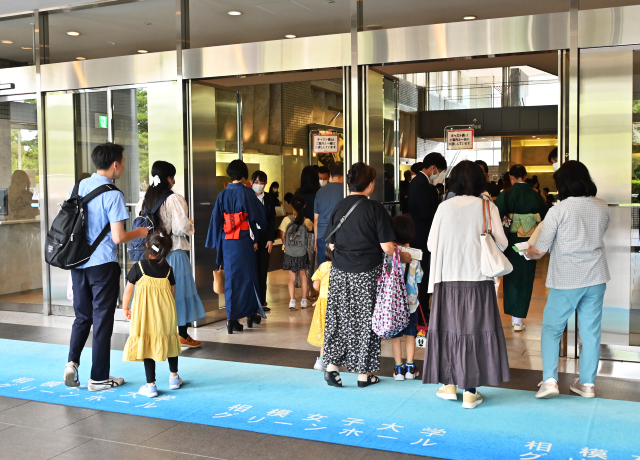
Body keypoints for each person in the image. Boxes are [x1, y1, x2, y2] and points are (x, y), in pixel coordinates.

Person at [423, 160, 510, 409]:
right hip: (478, 278)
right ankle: (470, 391)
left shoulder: (444, 207)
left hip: (447, 278)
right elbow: (501, 243)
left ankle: (449, 385)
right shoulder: (486, 206)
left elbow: (431, 245)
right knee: (474, 331)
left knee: (448, 329)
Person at [64, 143, 149, 391]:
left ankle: (72, 362)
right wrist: (140, 232)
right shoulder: (113, 195)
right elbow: (118, 237)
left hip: (78, 263)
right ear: (115, 164)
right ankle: (99, 378)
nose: (122, 165)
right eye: (122, 161)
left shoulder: (79, 186)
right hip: (102, 265)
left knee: (82, 316)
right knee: (102, 320)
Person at [524, 161, 610, 399]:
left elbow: (540, 249)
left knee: (552, 329)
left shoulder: (559, 210)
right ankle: (587, 384)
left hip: (567, 278)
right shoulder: (602, 206)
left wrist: (527, 252)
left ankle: (550, 381)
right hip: (596, 276)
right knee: (591, 331)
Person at [322, 162, 404, 388]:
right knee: (366, 321)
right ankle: (363, 374)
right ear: (369, 185)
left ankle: (332, 369)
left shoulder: (339, 206)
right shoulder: (374, 209)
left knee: (338, 318)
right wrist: (402, 255)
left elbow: (329, 243)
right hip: (366, 273)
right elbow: (387, 247)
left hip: (339, 272)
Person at [136, 161, 205, 348]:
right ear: (168, 178)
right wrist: (190, 224)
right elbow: (180, 227)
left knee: (159, 294)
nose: (173, 180)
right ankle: (182, 334)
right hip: (173, 251)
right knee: (179, 292)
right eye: (172, 176)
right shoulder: (174, 199)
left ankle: (160, 333)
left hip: (153, 254)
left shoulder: (144, 200)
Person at [205, 159, 268, 334]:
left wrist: (217, 243)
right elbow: (260, 216)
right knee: (248, 277)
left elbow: (216, 222)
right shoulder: (247, 193)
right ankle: (250, 314)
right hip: (242, 239)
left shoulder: (222, 194)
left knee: (231, 279)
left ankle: (231, 319)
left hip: (227, 241)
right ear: (244, 175)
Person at [121, 231, 182, 398]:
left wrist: (125, 308)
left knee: (148, 345)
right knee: (170, 339)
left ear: (147, 245)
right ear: (166, 251)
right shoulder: (168, 270)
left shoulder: (139, 267)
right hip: (165, 313)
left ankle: (151, 385)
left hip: (145, 314)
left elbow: (128, 291)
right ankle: (174, 378)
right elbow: (172, 293)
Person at [495, 164, 548, 331]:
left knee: (511, 276)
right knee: (526, 277)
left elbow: (496, 213)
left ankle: (514, 318)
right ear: (525, 176)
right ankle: (518, 319)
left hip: (512, 241)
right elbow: (545, 216)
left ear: (511, 178)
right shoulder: (536, 195)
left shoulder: (507, 194)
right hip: (532, 241)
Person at [407, 152, 447, 328]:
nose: (438, 174)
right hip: (422, 237)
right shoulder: (422, 184)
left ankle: (422, 311)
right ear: (433, 168)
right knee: (422, 276)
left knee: (419, 275)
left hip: (417, 236)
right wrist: (439, 212)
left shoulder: (417, 182)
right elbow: (424, 213)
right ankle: (422, 313)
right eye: (439, 171)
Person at [390, 214, 424, 381]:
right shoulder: (416, 255)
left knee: (396, 336)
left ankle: (398, 369)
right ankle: (410, 368)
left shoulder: (389, 254)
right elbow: (419, 278)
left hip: (393, 304)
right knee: (411, 334)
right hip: (411, 304)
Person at [279, 195, 314, 310]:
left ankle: (292, 301)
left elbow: (282, 236)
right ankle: (304, 300)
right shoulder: (306, 221)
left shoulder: (286, 220)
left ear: (291, 206)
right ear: (304, 206)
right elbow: (312, 229)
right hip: (302, 252)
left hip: (289, 253)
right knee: (304, 276)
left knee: (292, 278)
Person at [251, 171, 277, 313]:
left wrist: (270, 239)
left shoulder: (269, 198)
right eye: (257, 182)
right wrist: (252, 238)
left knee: (263, 270)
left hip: (265, 237)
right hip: (251, 237)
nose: (259, 185)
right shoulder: (248, 196)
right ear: (251, 182)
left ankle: (262, 301)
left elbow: (272, 219)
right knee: (252, 270)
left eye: (262, 183)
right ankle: (252, 301)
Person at [308, 245, 333, 372]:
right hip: (335, 303)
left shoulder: (322, 266)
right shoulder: (341, 267)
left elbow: (316, 286)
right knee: (334, 332)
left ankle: (321, 359)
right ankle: (333, 360)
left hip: (323, 303)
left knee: (323, 331)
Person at [295, 166, 320, 292]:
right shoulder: (319, 194)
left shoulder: (298, 194)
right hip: (315, 232)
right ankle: (313, 289)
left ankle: (305, 290)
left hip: (300, 233)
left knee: (304, 263)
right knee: (316, 262)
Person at [314, 161, 344, 265]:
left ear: (330, 175)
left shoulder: (320, 192)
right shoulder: (346, 191)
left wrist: (316, 239)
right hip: (341, 236)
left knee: (324, 270)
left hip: (322, 235)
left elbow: (316, 219)